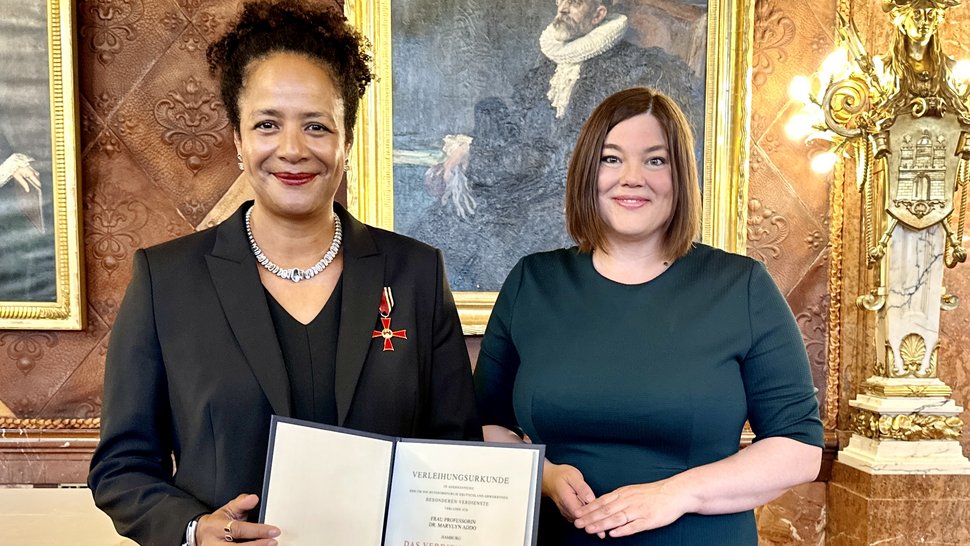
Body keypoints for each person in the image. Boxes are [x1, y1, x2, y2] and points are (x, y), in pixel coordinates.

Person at [87, 2, 480, 545]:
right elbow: (122, 468)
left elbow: (456, 450)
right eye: (267, 124)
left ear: (346, 138)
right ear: (238, 139)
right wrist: (195, 530)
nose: (292, 149)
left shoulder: (415, 273)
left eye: (316, 126)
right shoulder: (166, 280)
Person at [474, 87, 823, 545]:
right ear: (586, 172)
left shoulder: (742, 286)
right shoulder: (532, 282)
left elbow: (798, 449)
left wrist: (677, 494)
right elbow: (483, 424)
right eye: (611, 159)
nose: (632, 177)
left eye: (655, 160)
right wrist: (544, 475)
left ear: (680, 177)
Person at [408, 0, 704, 292]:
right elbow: (516, 133)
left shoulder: (631, 69)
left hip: (564, 201)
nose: (563, 7)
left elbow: (561, 157)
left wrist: (478, 158)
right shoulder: (545, 72)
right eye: (562, 0)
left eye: (574, 3)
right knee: (429, 234)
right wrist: (469, 152)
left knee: (496, 240)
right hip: (526, 186)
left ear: (598, 14)